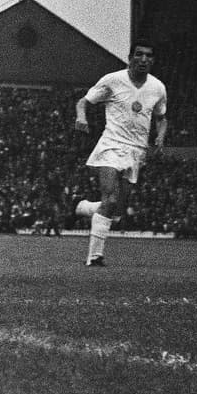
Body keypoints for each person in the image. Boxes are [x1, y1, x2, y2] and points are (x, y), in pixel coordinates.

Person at [72, 41, 168, 267]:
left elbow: (161, 117)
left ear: (153, 61)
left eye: (148, 56)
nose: (144, 59)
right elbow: (83, 101)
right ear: (130, 58)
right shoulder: (113, 80)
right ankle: (95, 256)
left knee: (115, 207)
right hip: (112, 145)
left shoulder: (157, 87)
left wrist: (161, 136)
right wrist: (81, 116)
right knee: (111, 199)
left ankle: (86, 207)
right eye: (139, 55)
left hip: (137, 151)